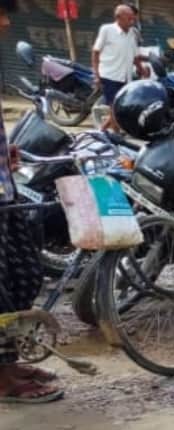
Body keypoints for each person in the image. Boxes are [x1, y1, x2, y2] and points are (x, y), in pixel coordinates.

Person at [0, 0, 63, 403]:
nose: (6, 23)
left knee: (22, 276)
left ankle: (8, 362)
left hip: (4, 190)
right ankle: (3, 377)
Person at [91, 4, 143, 131]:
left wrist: (141, 69)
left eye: (133, 18)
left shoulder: (132, 33)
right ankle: (115, 134)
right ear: (118, 18)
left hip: (126, 77)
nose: (132, 21)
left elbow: (135, 55)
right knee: (114, 108)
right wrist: (96, 75)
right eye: (129, 18)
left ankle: (102, 131)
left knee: (120, 108)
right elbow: (95, 52)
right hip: (109, 76)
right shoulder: (107, 30)